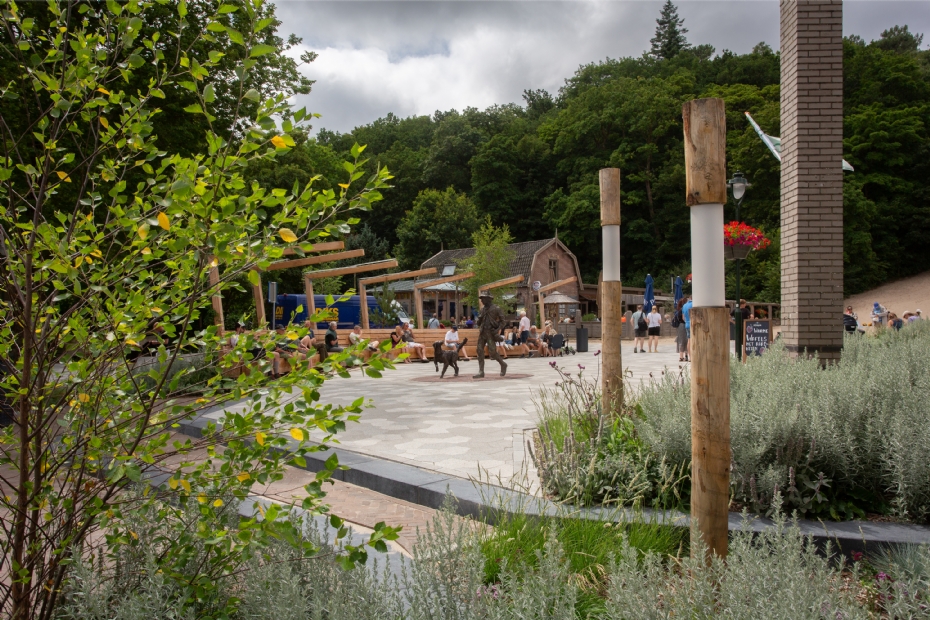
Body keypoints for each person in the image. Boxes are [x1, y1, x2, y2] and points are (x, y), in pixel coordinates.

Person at [473, 293, 507, 378]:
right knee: (479, 350)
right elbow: (479, 323)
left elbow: (503, 322)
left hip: (491, 333)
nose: (481, 301)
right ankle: (481, 371)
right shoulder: (482, 309)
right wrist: (479, 319)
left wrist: (497, 330)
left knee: (492, 352)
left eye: (483, 299)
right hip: (482, 332)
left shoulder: (496, 308)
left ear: (488, 299)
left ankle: (503, 364)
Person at [682, 296, 693, 361]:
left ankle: (690, 357)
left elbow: (683, 318)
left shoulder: (684, 305)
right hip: (694, 324)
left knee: (689, 341)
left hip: (687, 324)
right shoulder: (695, 304)